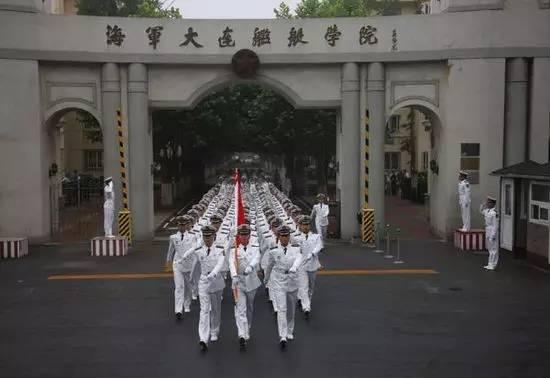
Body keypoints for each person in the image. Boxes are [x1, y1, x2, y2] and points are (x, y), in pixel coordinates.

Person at [182, 225, 226, 351]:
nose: (207, 239)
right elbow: (195, 261)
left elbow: (219, 264)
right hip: (203, 281)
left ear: (214, 236)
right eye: (205, 236)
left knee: (216, 309)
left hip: (216, 281)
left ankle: (214, 331)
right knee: (204, 310)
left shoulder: (219, 249)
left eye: (209, 236)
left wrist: (213, 274)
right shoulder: (199, 250)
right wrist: (191, 276)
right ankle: (203, 338)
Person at [264, 225, 303, 349]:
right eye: (282, 236)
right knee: (282, 309)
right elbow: (269, 265)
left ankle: (290, 330)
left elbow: (299, 258)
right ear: (278, 237)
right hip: (279, 280)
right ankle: (282, 336)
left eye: (287, 236)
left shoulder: (296, 248)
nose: (285, 238)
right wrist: (266, 279)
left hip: (292, 280)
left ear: (289, 236)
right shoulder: (274, 250)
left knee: (291, 309)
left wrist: (294, 268)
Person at [229, 224, 262, 350]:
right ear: (239, 236)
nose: (243, 237)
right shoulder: (234, 249)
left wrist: (251, 266)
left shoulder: (254, 247)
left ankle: (247, 327)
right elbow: (231, 263)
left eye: (245, 235)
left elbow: (257, 257)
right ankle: (242, 333)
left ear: (249, 235)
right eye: (241, 235)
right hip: (238, 283)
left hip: (252, 282)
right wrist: (234, 276)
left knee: (249, 307)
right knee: (240, 308)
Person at [166, 216, 197, 319]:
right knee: (179, 287)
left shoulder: (193, 237)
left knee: (188, 287)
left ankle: (187, 304)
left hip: (189, 265)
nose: (182, 227)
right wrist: (168, 264)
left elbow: (194, 249)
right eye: (180, 224)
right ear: (177, 225)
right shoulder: (173, 237)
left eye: (183, 224)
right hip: (177, 264)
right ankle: (178, 310)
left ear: (187, 225)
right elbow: (170, 251)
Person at [295, 215, 323, 319]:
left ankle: (307, 301)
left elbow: (318, 246)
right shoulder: (296, 238)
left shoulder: (316, 237)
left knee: (311, 287)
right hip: (302, 266)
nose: (305, 226)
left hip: (312, 265)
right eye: (303, 224)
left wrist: (312, 253)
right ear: (300, 226)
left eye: (307, 224)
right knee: (303, 286)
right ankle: (306, 307)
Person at [480, 196, 499, 271]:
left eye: (488, 202)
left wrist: (493, 235)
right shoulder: (487, 211)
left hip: (492, 230)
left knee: (494, 249)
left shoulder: (494, 213)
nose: (487, 203)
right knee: (489, 248)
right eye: (487, 202)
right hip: (488, 229)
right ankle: (489, 263)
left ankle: (493, 264)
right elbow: (480, 210)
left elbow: (495, 225)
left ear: (492, 204)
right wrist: (483, 204)